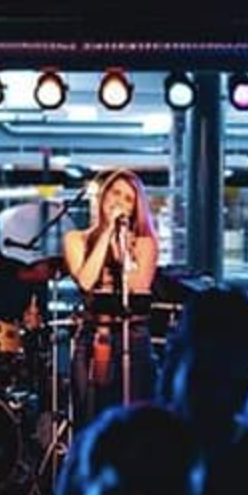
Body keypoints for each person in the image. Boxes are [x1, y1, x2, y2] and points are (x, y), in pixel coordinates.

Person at [62, 169, 161, 423]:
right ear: (104, 196)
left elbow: (139, 286)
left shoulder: (145, 243)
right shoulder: (76, 239)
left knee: (135, 419)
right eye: (116, 193)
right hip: (92, 335)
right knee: (89, 415)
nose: (120, 201)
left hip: (133, 336)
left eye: (128, 199)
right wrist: (106, 234)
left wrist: (122, 254)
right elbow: (86, 281)